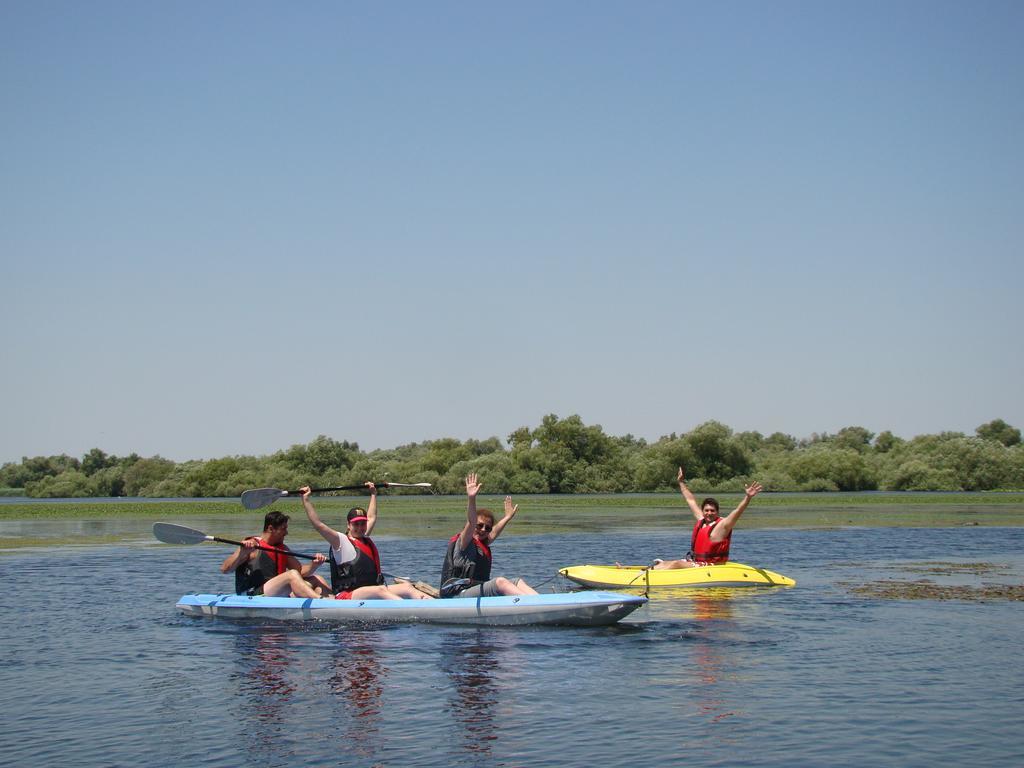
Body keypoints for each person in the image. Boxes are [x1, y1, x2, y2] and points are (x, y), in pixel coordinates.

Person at [301, 483, 432, 600]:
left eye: (362, 524)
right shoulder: (340, 542)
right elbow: (319, 525)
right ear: (348, 525)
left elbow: (372, 517)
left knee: (406, 587)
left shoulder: (364, 537)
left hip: (372, 590)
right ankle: (409, 610)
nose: (360, 528)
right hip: (346, 596)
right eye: (356, 524)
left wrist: (373, 494)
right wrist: (306, 499)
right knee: (380, 590)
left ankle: (433, 605)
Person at [439, 473, 538, 598]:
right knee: (500, 582)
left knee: (517, 582)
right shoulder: (464, 542)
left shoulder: (482, 542)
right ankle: (531, 605)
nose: (483, 530)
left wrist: (507, 517)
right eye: (480, 526)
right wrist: (471, 498)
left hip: (474, 591)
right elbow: (471, 521)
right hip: (457, 594)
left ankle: (544, 602)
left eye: (487, 528)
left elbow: (494, 532)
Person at [652, 466, 764, 569]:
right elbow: (690, 500)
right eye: (706, 510)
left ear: (717, 512)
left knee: (676, 564)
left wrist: (748, 497)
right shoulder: (702, 521)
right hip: (697, 562)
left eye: (712, 511)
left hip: (711, 565)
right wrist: (681, 482)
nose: (709, 513)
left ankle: (650, 576)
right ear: (703, 511)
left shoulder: (723, 525)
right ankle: (648, 572)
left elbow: (738, 511)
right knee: (665, 563)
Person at [219, 509, 328, 597]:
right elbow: (225, 569)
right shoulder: (252, 546)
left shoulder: (283, 548)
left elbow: (300, 572)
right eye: (283, 529)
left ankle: (334, 601)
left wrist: (314, 565)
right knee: (291, 575)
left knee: (317, 578)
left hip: (274, 592)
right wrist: (241, 553)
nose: (286, 533)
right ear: (271, 528)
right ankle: (321, 602)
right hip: (252, 594)